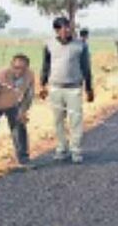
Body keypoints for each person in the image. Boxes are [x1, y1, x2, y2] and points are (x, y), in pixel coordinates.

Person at [39, 17, 94, 164]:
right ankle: (61, 148)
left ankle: (76, 150)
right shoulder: (49, 45)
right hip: (55, 88)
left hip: (74, 88)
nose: (66, 31)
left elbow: (86, 68)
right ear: (56, 30)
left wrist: (89, 88)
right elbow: (45, 66)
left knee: (75, 121)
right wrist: (42, 85)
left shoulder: (80, 45)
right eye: (63, 28)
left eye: (68, 28)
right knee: (58, 120)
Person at [0, 54, 35, 174]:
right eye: (16, 67)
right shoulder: (1, 75)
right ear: (11, 66)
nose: (19, 71)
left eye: (22, 68)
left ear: (27, 68)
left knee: (19, 127)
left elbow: (29, 95)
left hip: (12, 104)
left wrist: (23, 111)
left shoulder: (29, 75)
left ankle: (23, 159)